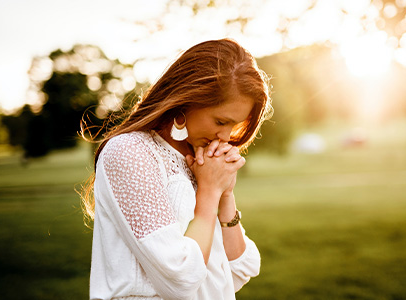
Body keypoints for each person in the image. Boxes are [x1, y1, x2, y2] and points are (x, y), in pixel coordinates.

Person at [80, 38, 273, 300]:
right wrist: (208, 194)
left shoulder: (199, 159)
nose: (226, 136)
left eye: (234, 125)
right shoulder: (130, 153)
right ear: (186, 101)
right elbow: (180, 278)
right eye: (220, 121)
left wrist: (224, 194)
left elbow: (239, 269)